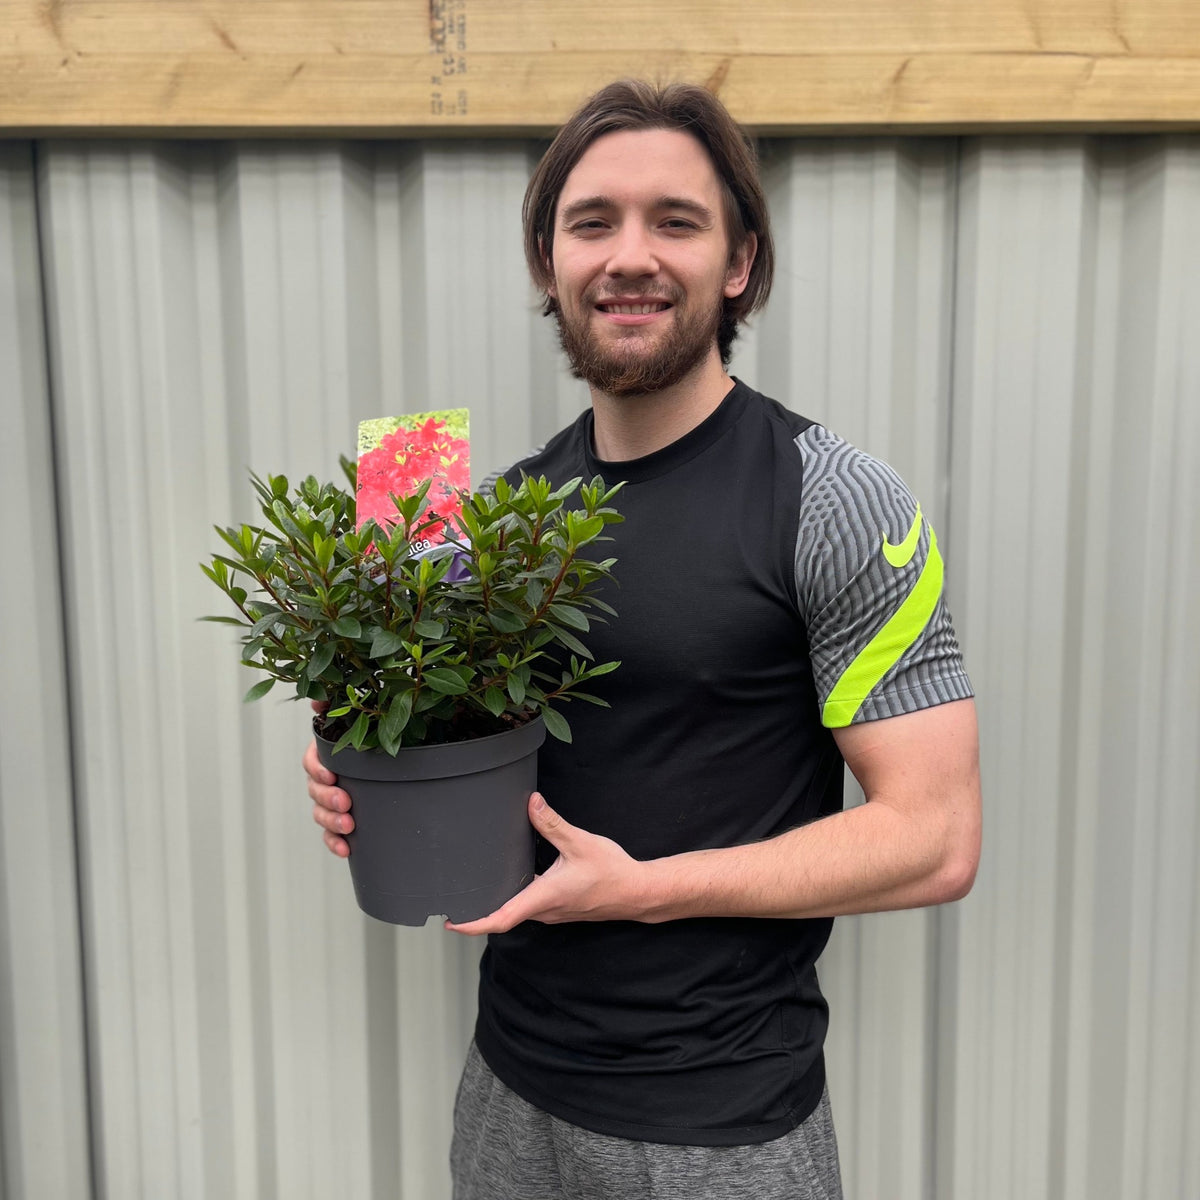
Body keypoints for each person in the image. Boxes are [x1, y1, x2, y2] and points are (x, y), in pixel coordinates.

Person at [305, 79, 982, 1200]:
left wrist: (646, 887)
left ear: (739, 264)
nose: (629, 256)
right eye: (592, 222)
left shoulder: (833, 499)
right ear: (546, 262)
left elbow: (937, 837)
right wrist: (346, 746)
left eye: (676, 220)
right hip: (507, 1091)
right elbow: (415, 708)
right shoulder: (495, 518)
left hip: (722, 1126)